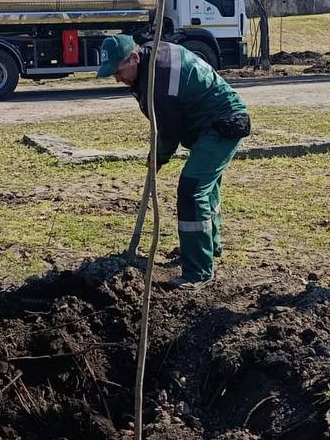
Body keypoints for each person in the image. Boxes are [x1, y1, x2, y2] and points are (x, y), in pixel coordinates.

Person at [98, 34, 250, 289]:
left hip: (224, 123)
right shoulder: (150, 58)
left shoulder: (161, 79)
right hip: (208, 124)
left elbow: (169, 131)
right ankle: (208, 246)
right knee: (204, 187)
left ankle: (198, 271)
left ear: (134, 57)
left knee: (192, 190)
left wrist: (156, 158)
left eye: (118, 71)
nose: (117, 78)